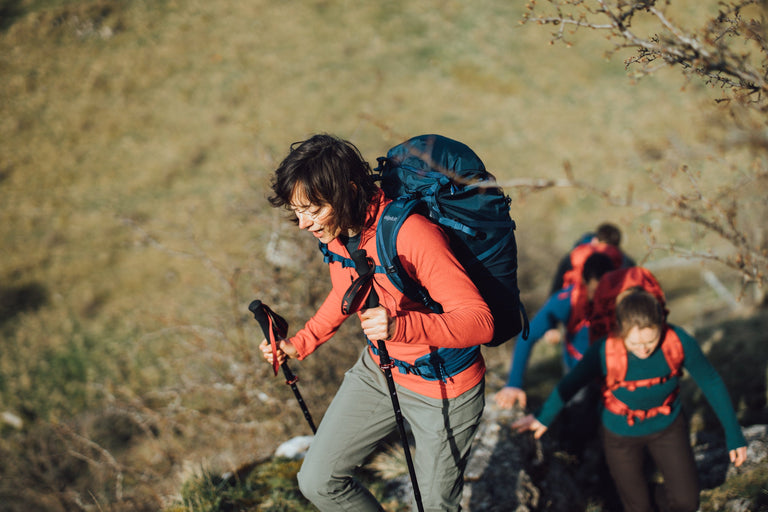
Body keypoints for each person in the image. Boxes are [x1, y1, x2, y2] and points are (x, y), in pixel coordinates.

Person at [259, 134, 494, 512]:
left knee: (435, 506)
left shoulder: (412, 234)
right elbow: (346, 293)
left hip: (445, 388)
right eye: (296, 211)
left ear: (347, 191)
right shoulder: (339, 234)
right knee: (318, 481)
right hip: (380, 372)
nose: (302, 224)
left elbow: (480, 322)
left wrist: (400, 327)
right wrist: (300, 343)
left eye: (312, 210)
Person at [513, 288, 748, 512]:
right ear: (620, 331)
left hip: (668, 427)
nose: (644, 350)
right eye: (634, 343)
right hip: (620, 435)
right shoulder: (605, 349)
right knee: (638, 508)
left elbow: (711, 382)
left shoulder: (678, 342)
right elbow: (571, 384)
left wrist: (734, 434)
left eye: (650, 341)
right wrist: (543, 417)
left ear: (662, 326)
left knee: (686, 503)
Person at [495, 252, 617, 410]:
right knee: (578, 413)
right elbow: (528, 336)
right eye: (596, 290)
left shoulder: (622, 296)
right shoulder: (566, 301)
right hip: (577, 368)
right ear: (585, 282)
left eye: (606, 290)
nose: (602, 297)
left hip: (613, 366)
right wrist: (514, 383)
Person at [549, 222, 636, 295]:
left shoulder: (573, 255)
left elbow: (556, 288)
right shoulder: (626, 262)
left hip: (572, 304)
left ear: (595, 240)